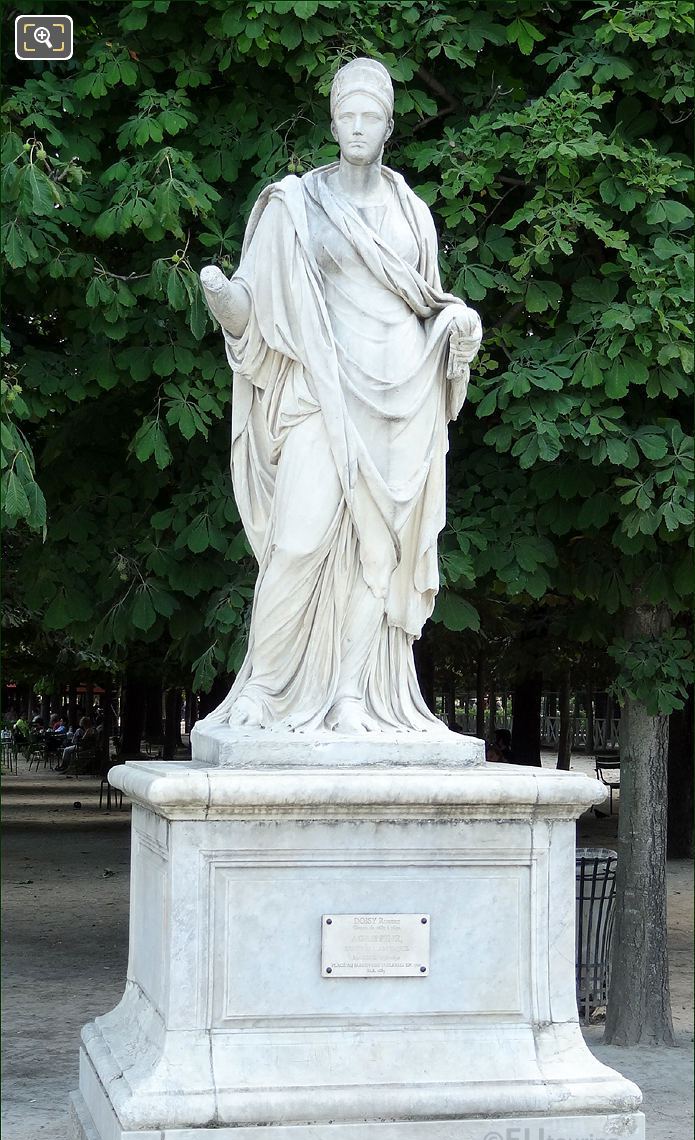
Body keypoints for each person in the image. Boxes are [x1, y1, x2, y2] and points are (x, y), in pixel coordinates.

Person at [199, 57, 482, 736]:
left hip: (402, 395)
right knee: (297, 541)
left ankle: (353, 695)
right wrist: (222, 298)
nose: (357, 126)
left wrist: (459, 326)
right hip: (320, 394)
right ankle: (263, 691)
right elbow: (253, 310)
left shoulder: (411, 211)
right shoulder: (293, 203)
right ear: (332, 124)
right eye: (346, 115)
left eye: (370, 116)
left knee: (374, 553)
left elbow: (429, 303)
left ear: (388, 126)